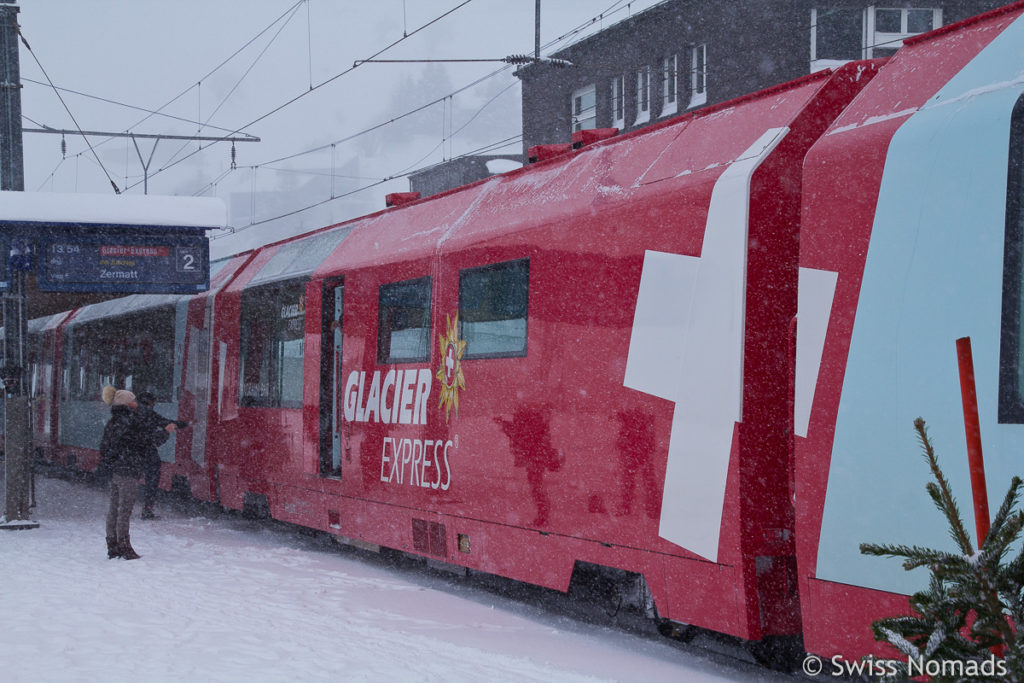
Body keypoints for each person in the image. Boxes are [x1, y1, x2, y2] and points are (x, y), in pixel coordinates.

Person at [99, 386, 174, 560]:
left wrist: (114, 460)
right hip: (128, 471)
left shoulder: (113, 422)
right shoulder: (130, 422)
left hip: (117, 470)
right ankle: (125, 547)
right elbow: (148, 441)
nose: (136, 403)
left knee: (114, 510)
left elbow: (104, 447)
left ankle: (112, 544)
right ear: (127, 404)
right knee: (124, 510)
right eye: (133, 401)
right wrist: (166, 432)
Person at [135, 391, 188, 520]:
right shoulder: (149, 414)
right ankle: (147, 509)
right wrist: (185, 424)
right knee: (152, 480)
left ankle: (122, 509)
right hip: (148, 452)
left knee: (128, 480)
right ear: (150, 403)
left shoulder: (131, 414)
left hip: (131, 452)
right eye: (153, 402)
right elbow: (166, 423)